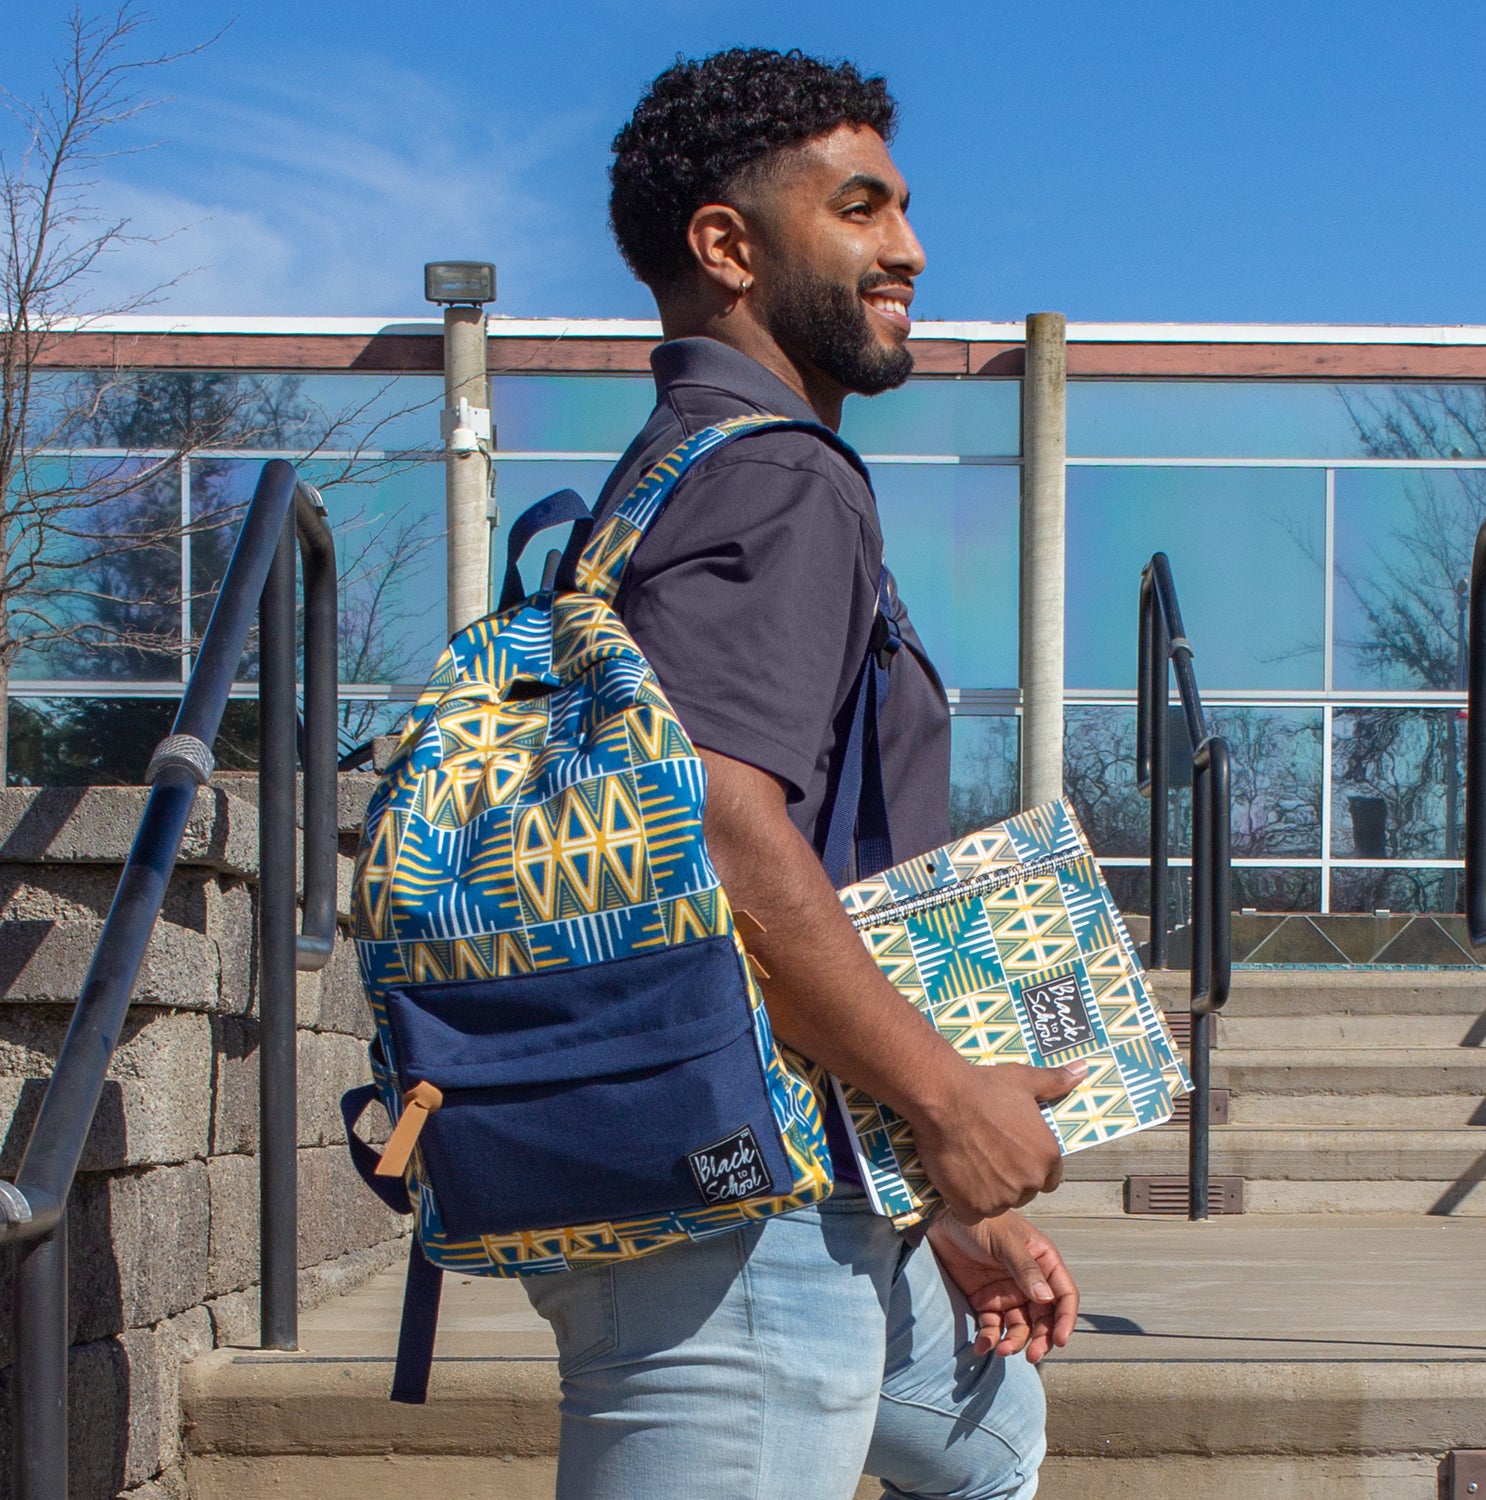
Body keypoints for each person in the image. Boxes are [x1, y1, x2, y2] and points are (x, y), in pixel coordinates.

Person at [522, 47, 1082, 1500]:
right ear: (729, 246)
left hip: (793, 1184)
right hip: (736, 1212)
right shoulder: (778, 477)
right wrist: (950, 1103)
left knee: (992, 1444)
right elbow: (708, 817)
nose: (907, 247)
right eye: (861, 208)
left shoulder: (665, 479)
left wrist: (935, 1204)